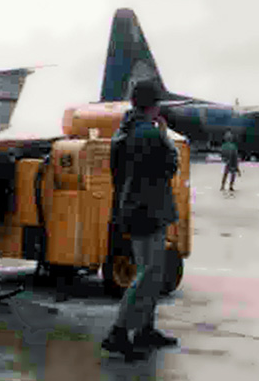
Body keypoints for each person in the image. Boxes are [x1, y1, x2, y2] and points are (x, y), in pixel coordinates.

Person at [102, 79, 179, 360]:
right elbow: (171, 164)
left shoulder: (124, 129)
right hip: (149, 209)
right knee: (148, 273)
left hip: (132, 206)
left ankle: (145, 328)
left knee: (151, 272)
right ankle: (119, 331)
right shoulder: (149, 133)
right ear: (154, 105)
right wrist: (164, 134)